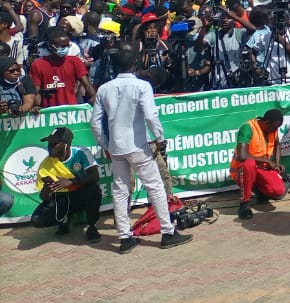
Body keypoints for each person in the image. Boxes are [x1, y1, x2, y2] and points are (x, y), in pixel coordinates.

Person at [90, 41, 192, 252]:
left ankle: (125, 237)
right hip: (137, 145)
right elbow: (151, 116)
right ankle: (167, 232)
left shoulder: (104, 89)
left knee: (120, 191)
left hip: (116, 147)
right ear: (135, 64)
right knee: (155, 187)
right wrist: (160, 138)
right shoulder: (142, 86)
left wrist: (105, 144)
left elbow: (95, 123)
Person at [30, 126, 102, 242]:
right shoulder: (45, 165)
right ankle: (64, 219)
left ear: (66, 144)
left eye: (55, 143)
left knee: (93, 189)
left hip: (80, 195)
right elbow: (44, 198)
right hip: (61, 198)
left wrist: (71, 182)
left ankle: (91, 226)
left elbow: (95, 175)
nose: (50, 146)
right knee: (37, 219)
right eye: (49, 143)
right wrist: (47, 191)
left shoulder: (81, 153)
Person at [230, 108, 287, 220]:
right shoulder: (248, 128)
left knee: (278, 191)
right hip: (242, 170)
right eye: (275, 127)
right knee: (249, 164)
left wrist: (277, 164)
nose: (276, 130)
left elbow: (277, 145)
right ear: (267, 123)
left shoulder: (273, 129)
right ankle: (244, 204)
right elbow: (242, 155)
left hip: (261, 168)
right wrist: (267, 161)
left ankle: (260, 191)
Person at [29, 26, 93, 108]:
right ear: (50, 46)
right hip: (48, 110)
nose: (65, 49)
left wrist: (93, 100)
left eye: (67, 46)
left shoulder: (75, 62)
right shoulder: (37, 65)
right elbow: (36, 91)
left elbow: (87, 85)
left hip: (71, 109)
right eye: (61, 47)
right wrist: (36, 106)